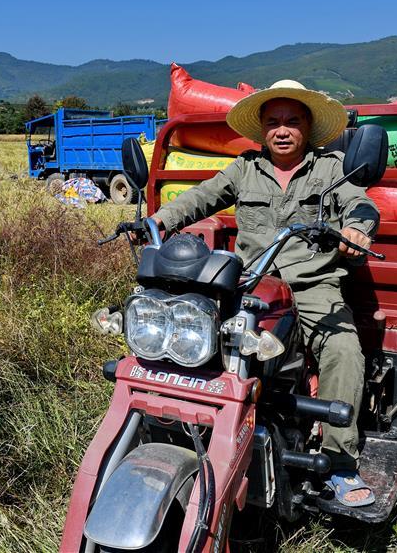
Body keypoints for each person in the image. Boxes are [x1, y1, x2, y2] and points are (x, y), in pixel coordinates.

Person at [152, 80, 379, 507]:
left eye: (292, 121)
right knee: (186, 336)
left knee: (344, 350)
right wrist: (159, 222)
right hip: (251, 283)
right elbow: (200, 198)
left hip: (312, 285)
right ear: (262, 130)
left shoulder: (330, 167)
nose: (282, 130)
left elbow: (361, 203)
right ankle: (184, 430)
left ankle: (340, 463)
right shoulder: (245, 168)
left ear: (307, 128)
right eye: (273, 121)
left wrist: (357, 229)